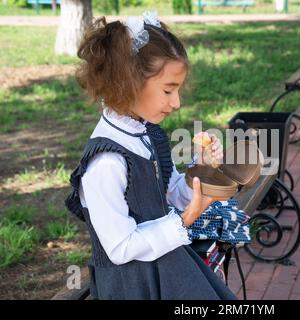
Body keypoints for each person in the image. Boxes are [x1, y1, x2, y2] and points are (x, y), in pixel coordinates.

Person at [65, 11, 237, 300]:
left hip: (165, 264)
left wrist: (200, 172)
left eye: (178, 90)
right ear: (128, 83)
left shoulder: (148, 133)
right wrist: (188, 217)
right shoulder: (106, 163)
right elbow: (120, 248)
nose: (177, 102)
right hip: (133, 284)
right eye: (169, 90)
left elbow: (166, 194)